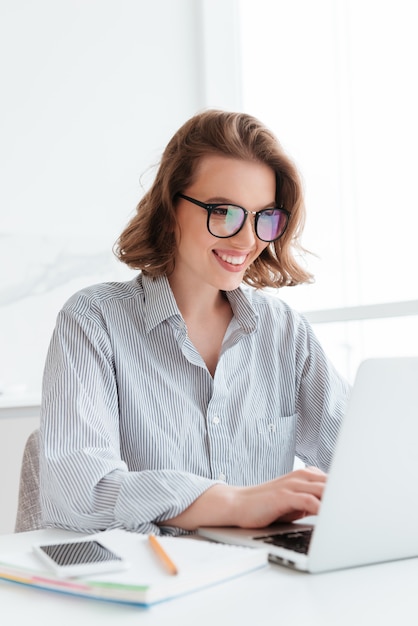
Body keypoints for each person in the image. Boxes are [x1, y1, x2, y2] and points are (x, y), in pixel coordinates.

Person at [39, 109, 350, 535]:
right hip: (158, 583)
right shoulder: (94, 321)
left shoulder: (284, 332)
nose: (247, 240)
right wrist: (234, 503)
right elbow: (78, 495)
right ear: (170, 207)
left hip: (269, 581)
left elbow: (361, 463)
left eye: (265, 217)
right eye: (223, 212)